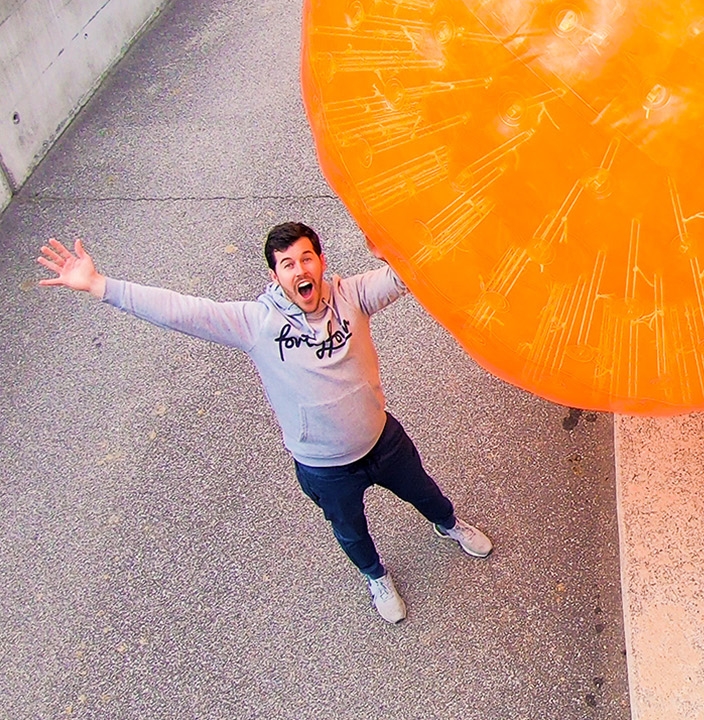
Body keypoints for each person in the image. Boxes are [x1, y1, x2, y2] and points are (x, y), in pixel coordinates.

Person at [35, 222, 492, 625]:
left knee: (426, 491)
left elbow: (410, 276)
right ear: (275, 276)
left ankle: (449, 524)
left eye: (307, 258)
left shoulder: (352, 295)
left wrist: (402, 249)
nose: (300, 270)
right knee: (350, 530)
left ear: (321, 261)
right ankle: (376, 578)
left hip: (381, 440)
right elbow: (180, 310)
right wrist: (98, 284)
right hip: (324, 467)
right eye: (287, 264)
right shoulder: (256, 323)